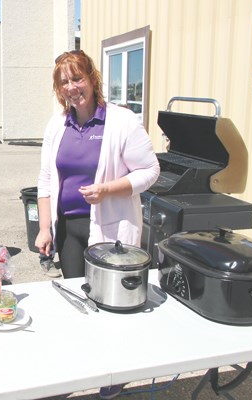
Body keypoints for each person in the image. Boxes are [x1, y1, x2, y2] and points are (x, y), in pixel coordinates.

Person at [35, 50, 159, 399]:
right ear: (58, 90)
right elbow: (45, 179)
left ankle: (113, 378)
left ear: (92, 78)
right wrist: (45, 227)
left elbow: (150, 171)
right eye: (64, 82)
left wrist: (109, 189)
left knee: (113, 305)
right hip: (69, 229)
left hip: (111, 231)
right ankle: (81, 368)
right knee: (78, 302)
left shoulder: (121, 121)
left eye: (78, 78)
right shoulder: (56, 124)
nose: (73, 88)